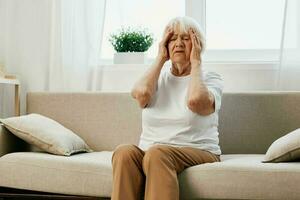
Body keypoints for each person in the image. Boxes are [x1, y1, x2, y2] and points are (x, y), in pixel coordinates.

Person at [111, 16, 224, 200]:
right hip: (153, 152)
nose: (178, 43)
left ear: (197, 45)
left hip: (198, 150)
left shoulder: (210, 78)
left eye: (186, 38)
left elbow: (196, 101)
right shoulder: (157, 78)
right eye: (172, 39)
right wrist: (160, 58)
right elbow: (140, 95)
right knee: (124, 153)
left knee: (157, 154)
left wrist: (196, 63)